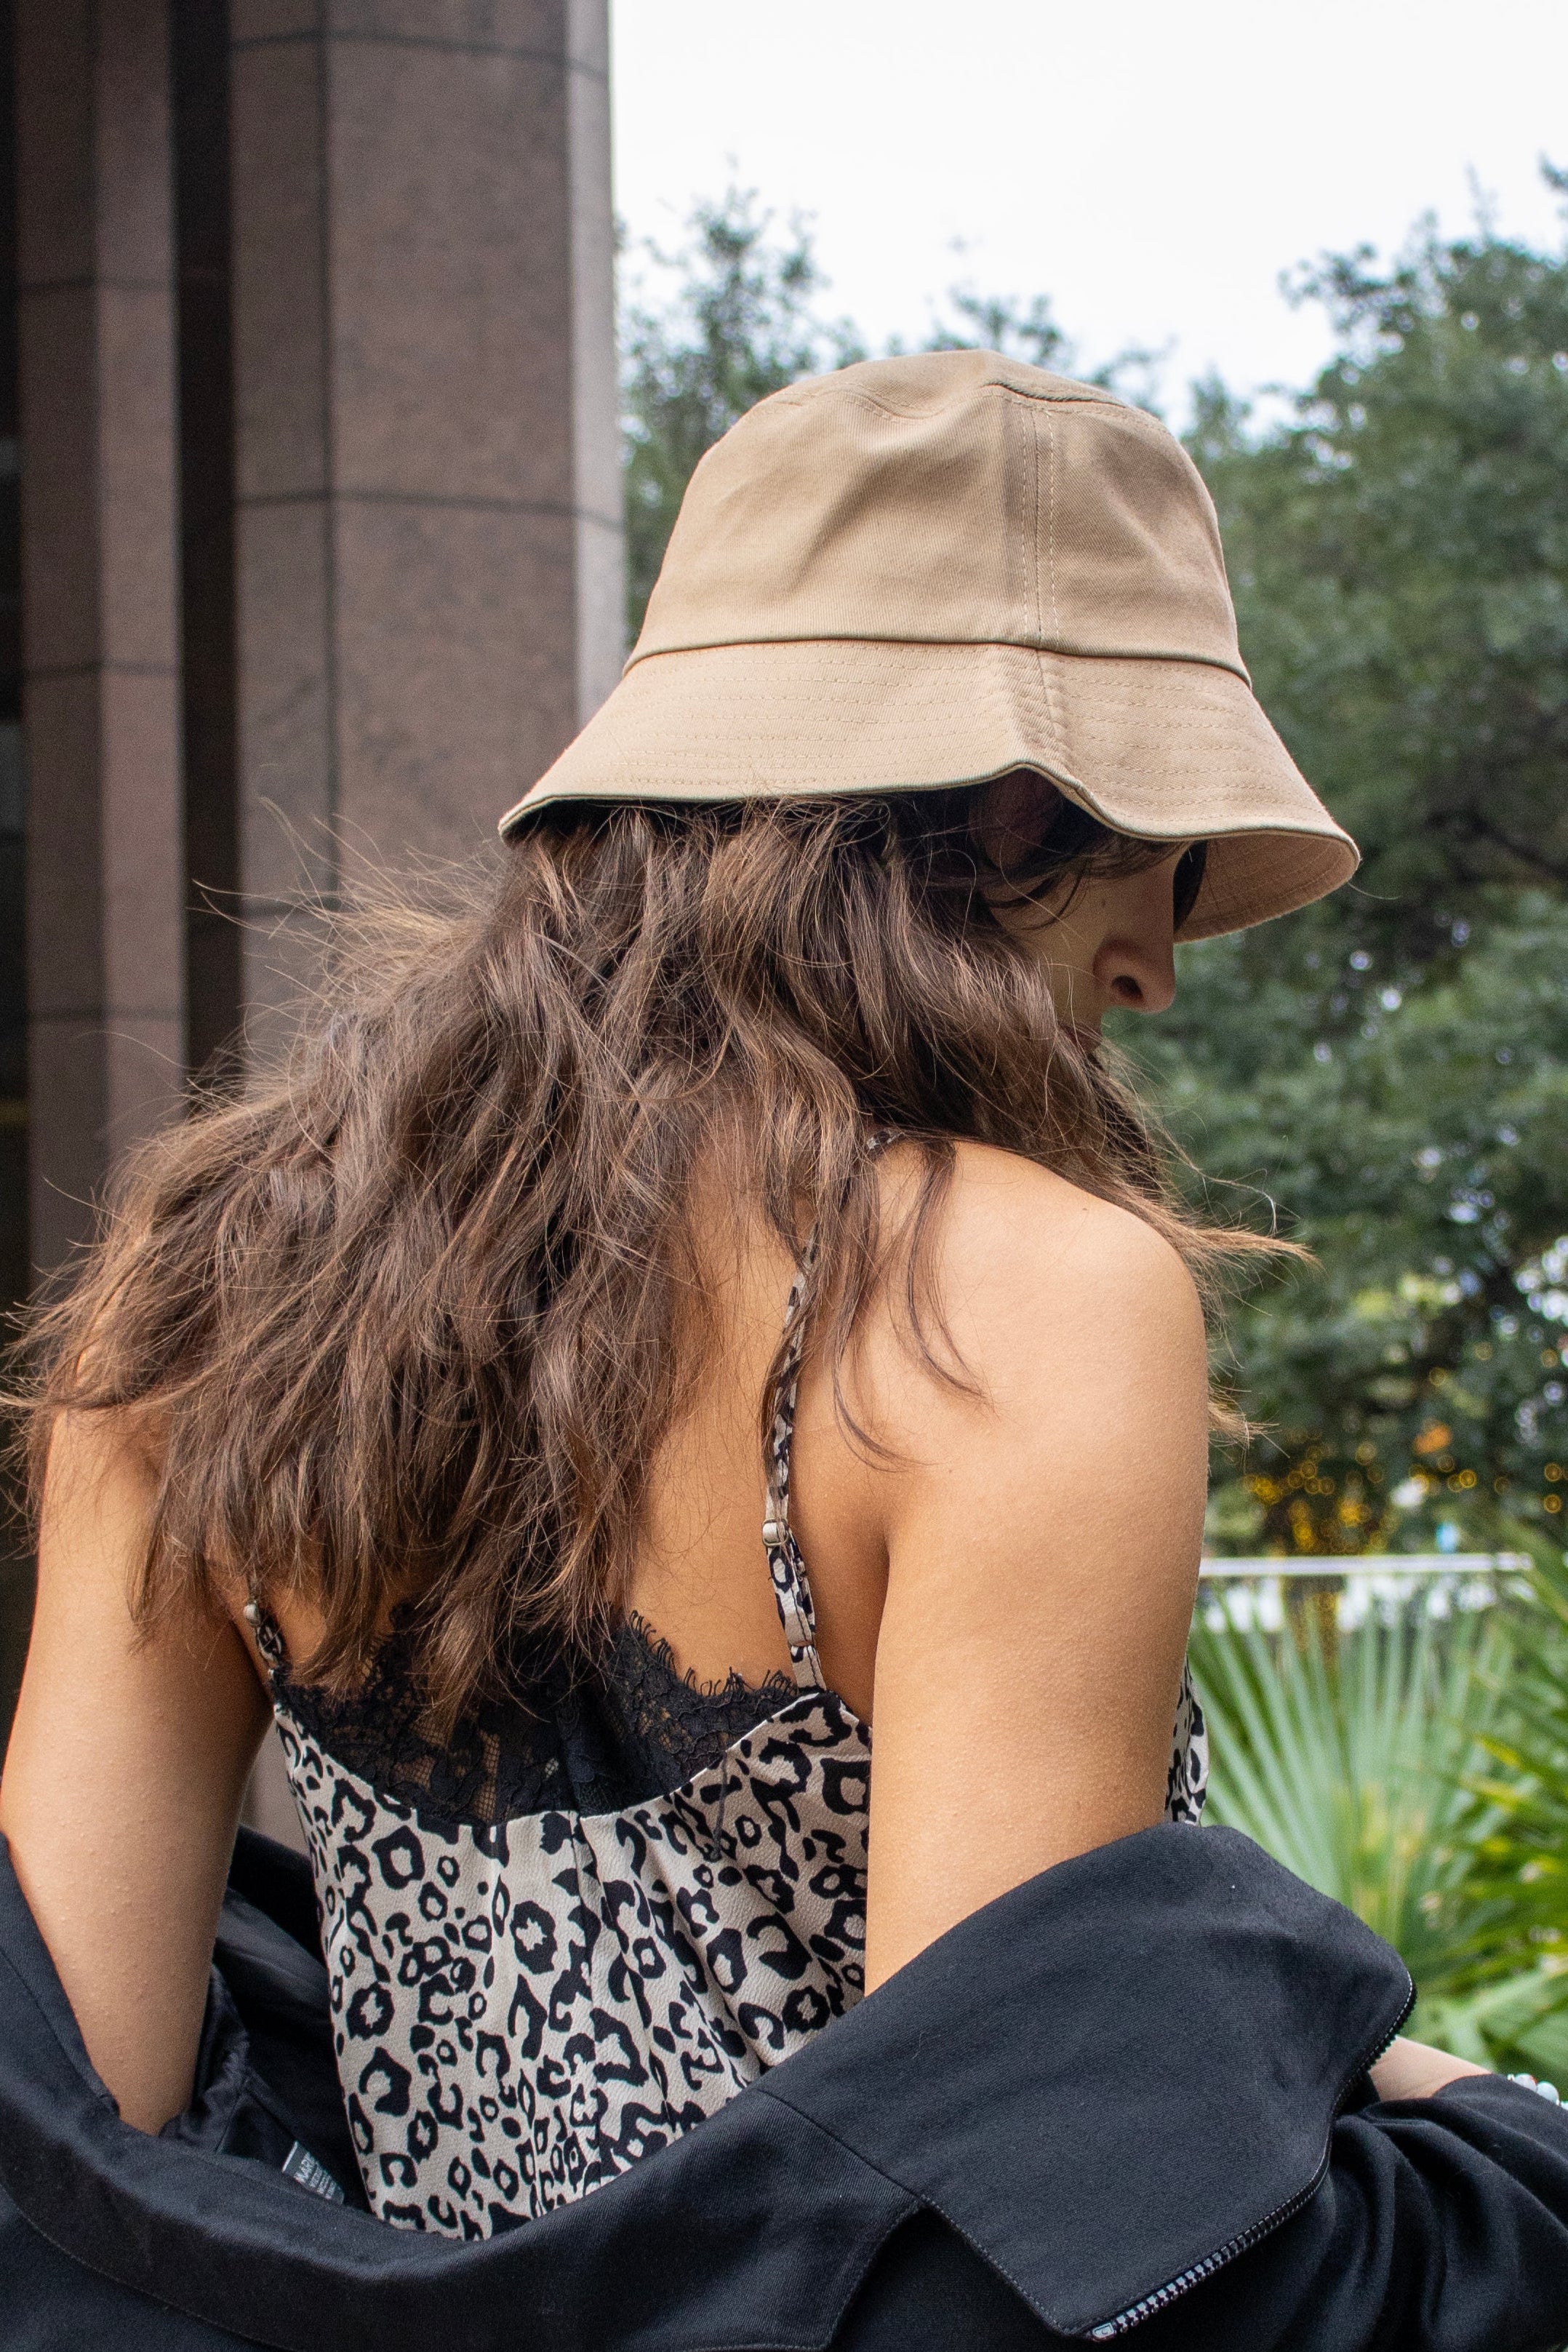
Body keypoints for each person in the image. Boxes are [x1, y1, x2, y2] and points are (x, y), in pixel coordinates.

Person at [3, 354, 1567, 2348]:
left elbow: (65, 2136)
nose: (1165, 965)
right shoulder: (1013, 1296)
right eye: (1165, 860)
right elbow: (992, 2227)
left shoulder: (206, 1277)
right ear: (1010, 808)